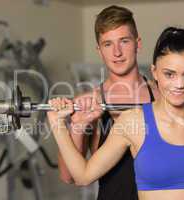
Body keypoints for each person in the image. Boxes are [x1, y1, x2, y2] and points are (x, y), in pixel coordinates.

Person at [49, 27, 184, 200]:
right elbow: (83, 176)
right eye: (169, 74)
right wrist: (57, 123)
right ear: (155, 72)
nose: (179, 84)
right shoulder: (132, 121)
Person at [57, 5, 158, 200]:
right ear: (99, 50)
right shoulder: (87, 103)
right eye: (108, 44)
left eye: (124, 41)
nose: (117, 52)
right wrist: (78, 125)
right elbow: (68, 176)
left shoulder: (163, 97)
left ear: (138, 43)